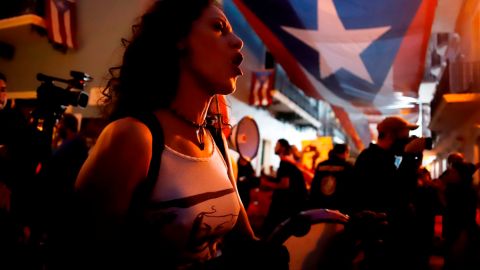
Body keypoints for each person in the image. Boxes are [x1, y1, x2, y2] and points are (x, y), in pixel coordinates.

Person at [66, 1, 289, 269]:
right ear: (178, 38)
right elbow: (82, 253)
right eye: (219, 28)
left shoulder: (217, 143)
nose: (239, 42)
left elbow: (244, 242)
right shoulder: (133, 137)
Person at [353, 116, 429, 270]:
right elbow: (395, 191)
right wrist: (409, 160)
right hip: (379, 233)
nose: (408, 140)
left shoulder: (385, 157)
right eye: (405, 136)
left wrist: (414, 159)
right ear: (390, 135)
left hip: (388, 231)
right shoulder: (371, 158)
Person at [261, 138, 308, 238]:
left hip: (286, 205)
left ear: (282, 148)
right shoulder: (288, 163)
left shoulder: (285, 163)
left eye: (277, 145)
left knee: (270, 231)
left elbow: (284, 185)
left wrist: (266, 183)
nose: (274, 147)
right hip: (292, 205)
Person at [309, 143, 354, 213]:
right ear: (346, 152)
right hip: (339, 207)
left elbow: (314, 186)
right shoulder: (347, 167)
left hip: (321, 205)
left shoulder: (321, 165)